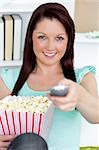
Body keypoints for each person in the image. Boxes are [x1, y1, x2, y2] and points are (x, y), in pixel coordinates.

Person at [0, 2, 99, 150]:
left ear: (68, 41)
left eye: (59, 38)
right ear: (30, 38)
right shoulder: (9, 79)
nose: (50, 47)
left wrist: (77, 94)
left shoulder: (81, 77)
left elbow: (96, 115)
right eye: (42, 37)